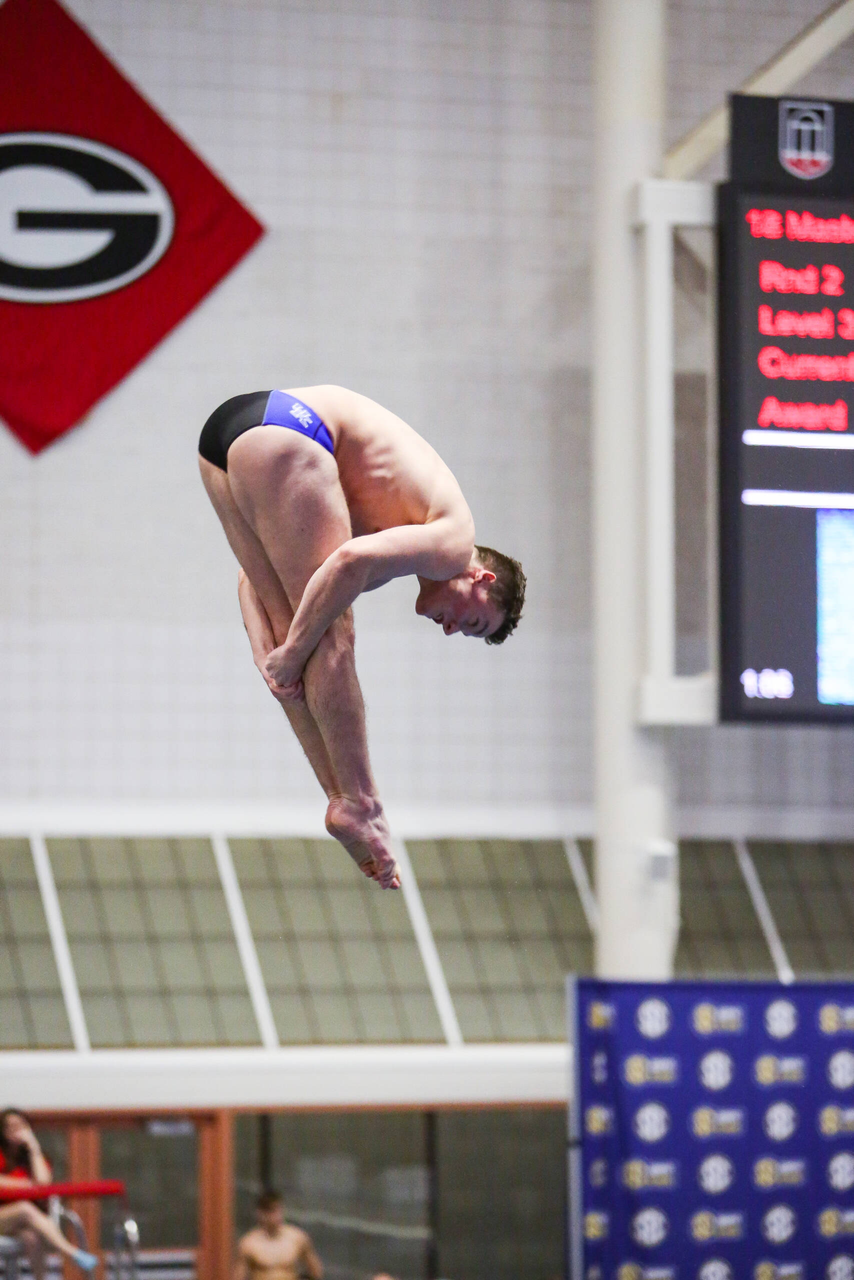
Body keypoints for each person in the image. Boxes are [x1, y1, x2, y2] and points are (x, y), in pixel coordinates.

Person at [199, 386, 526, 889]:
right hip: (294, 427)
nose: (453, 629)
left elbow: (248, 578)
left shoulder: (388, 526)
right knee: (330, 632)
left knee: (301, 641)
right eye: (474, 622)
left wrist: (270, 652)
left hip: (222, 441)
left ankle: (342, 799)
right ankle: (365, 804)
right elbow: (349, 564)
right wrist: (293, 651)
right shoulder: (454, 543)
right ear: (481, 580)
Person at [0, 1109, 98, 1275]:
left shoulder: (34, 1157)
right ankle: (72, 1252)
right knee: (24, 1208)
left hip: (20, 1224)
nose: (16, 1131)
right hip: (5, 1217)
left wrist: (33, 1147)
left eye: (20, 1126)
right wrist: (28, 1184)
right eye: (10, 1127)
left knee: (32, 1238)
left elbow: (43, 1182)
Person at [234, 1190, 322, 1280]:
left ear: (281, 1210)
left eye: (275, 1210)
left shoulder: (297, 1238)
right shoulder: (248, 1243)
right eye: (268, 1211)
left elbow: (315, 1270)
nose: (273, 1216)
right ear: (260, 1213)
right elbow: (238, 1276)